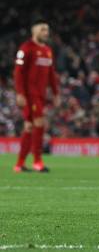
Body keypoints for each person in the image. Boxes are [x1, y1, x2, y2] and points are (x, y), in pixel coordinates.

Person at [13, 20, 59, 173]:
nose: (46, 32)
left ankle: (19, 164)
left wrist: (56, 93)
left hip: (41, 94)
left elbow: (51, 74)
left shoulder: (47, 50)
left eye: (47, 30)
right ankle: (37, 161)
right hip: (29, 94)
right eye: (42, 29)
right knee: (39, 123)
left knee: (29, 126)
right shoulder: (26, 48)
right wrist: (20, 93)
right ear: (34, 31)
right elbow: (18, 72)